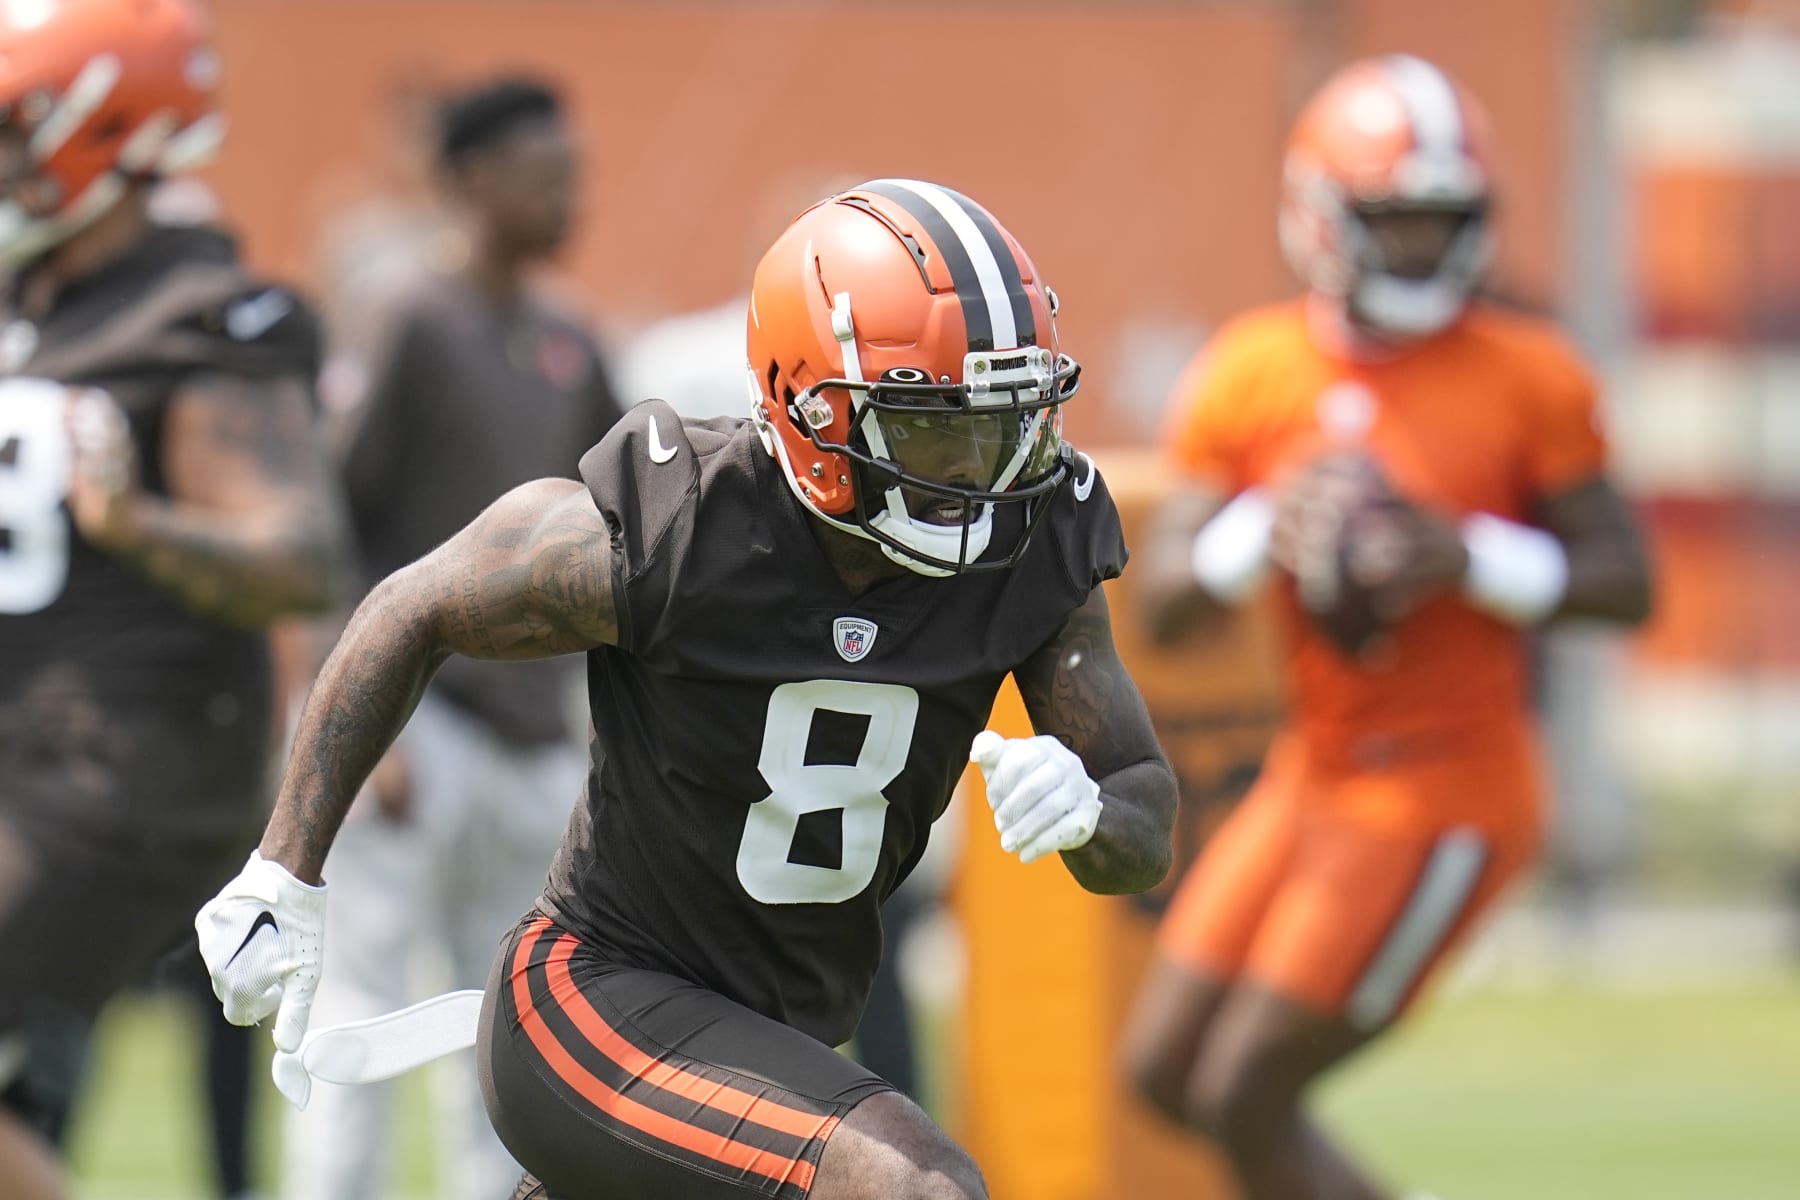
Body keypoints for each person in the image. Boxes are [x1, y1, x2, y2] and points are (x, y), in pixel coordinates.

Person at [197, 178, 1178, 1200]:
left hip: (774, 1037)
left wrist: (1089, 813)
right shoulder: (682, 522)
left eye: (1005, 419)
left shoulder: (1031, 542)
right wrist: (285, 870)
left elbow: (1142, 819)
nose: (986, 469)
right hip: (595, 1003)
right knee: (917, 1188)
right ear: (814, 408)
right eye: (938, 428)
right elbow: (413, 608)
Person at [1117, 55, 1653, 1200]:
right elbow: (1166, 601)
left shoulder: (1529, 372)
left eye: (1441, 222)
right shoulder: (1253, 369)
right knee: (1164, 1072)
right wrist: (1271, 519)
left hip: (1449, 788)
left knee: (1243, 1091)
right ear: (1321, 220)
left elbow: (1626, 581)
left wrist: (1468, 555)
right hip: (1312, 774)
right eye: (1394, 222)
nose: (1421, 249)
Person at [0, 3, 347, 1198]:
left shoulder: (188, 319)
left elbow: (298, 553)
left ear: (98, 132)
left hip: (113, 782)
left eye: (10, 128)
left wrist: (138, 524)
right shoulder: (36, 305)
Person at [280, 76, 627, 1200]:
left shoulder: (571, 340)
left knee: (510, 1035)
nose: (567, 193)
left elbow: (633, 527)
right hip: (418, 729)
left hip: (530, 741)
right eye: (545, 172)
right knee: (364, 1020)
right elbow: (326, 520)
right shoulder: (414, 319)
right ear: (473, 180)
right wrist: (352, 730)